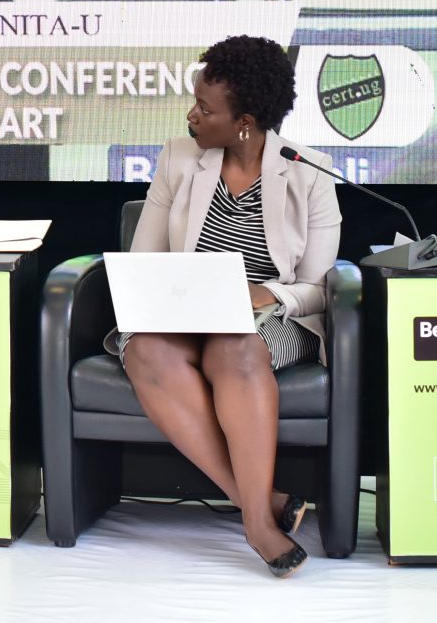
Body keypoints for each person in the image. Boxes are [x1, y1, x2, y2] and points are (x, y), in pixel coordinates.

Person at [116, 34, 341, 579]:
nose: (192, 115)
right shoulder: (178, 159)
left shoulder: (310, 171)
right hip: (181, 310)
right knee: (145, 351)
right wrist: (176, 297)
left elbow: (318, 286)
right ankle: (257, 509)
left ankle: (257, 520)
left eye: (205, 108)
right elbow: (144, 260)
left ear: (244, 122)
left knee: (234, 348)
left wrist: (264, 294)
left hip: (268, 318)